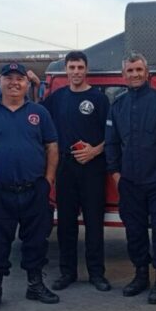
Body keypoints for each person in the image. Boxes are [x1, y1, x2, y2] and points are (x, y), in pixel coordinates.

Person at [0, 62, 59, 311]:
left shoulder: (39, 113)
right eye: (9, 78)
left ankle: (35, 285)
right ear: (0, 82)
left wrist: (48, 180)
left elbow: (52, 146)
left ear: (27, 84)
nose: (14, 83)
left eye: (19, 79)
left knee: (37, 242)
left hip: (34, 189)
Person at [29, 51, 112, 292]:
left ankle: (97, 274)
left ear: (86, 69)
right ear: (66, 70)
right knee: (66, 223)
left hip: (93, 167)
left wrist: (94, 151)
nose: (76, 72)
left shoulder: (99, 99)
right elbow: (36, 114)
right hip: (65, 167)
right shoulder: (57, 98)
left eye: (80, 67)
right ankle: (68, 273)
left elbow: (112, 136)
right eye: (72, 67)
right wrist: (35, 85)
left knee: (94, 223)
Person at [105, 52, 156, 304]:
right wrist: (116, 173)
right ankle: (140, 275)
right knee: (134, 232)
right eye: (130, 70)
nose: (135, 74)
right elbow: (112, 143)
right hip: (129, 182)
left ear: (147, 73)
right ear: (123, 75)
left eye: (139, 70)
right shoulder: (118, 105)